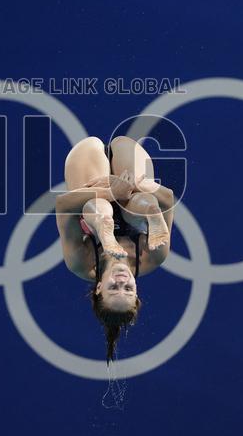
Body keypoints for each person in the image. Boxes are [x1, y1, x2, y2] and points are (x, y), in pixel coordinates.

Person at [55, 136, 176, 362]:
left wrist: (111, 193)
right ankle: (150, 211)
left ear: (99, 287)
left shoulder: (82, 263)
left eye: (114, 288)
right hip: (134, 194)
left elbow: (62, 204)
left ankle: (103, 227)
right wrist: (133, 186)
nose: (122, 280)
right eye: (128, 289)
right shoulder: (153, 256)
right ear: (137, 291)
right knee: (123, 144)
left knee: (96, 204)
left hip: (94, 191)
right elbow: (168, 198)